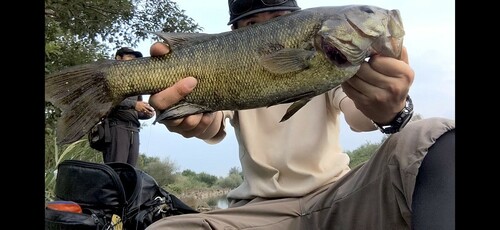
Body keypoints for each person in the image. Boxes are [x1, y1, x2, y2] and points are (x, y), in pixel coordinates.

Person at [146, 1, 455, 229]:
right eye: (252, 25)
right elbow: (213, 123)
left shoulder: (333, 67)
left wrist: (393, 111)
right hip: (255, 214)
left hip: (338, 197)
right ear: (236, 35)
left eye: (280, 18)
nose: (270, 28)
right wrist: (188, 119)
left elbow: (360, 116)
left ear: (299, 23)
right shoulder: (223, 69)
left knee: (433, 134)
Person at [101, 47, 155, 166]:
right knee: (116, 169)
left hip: (134, 129)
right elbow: (107, 101)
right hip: (117, 127)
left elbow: (137, 110)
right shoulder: (109, 77)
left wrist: (147, 113)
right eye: (130, 57)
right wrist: (134, 104)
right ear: (118, 58)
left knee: (130, 171)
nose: (133, 60)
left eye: (135, 58)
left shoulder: (135, 81)